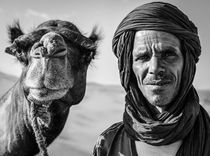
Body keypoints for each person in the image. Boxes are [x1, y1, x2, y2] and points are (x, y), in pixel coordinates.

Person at [93, 2, 210, 156]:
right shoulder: (108, 144)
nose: (155, 68)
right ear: (129, 68)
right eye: (143, 57)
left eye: (168, 54)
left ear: (186, 63)